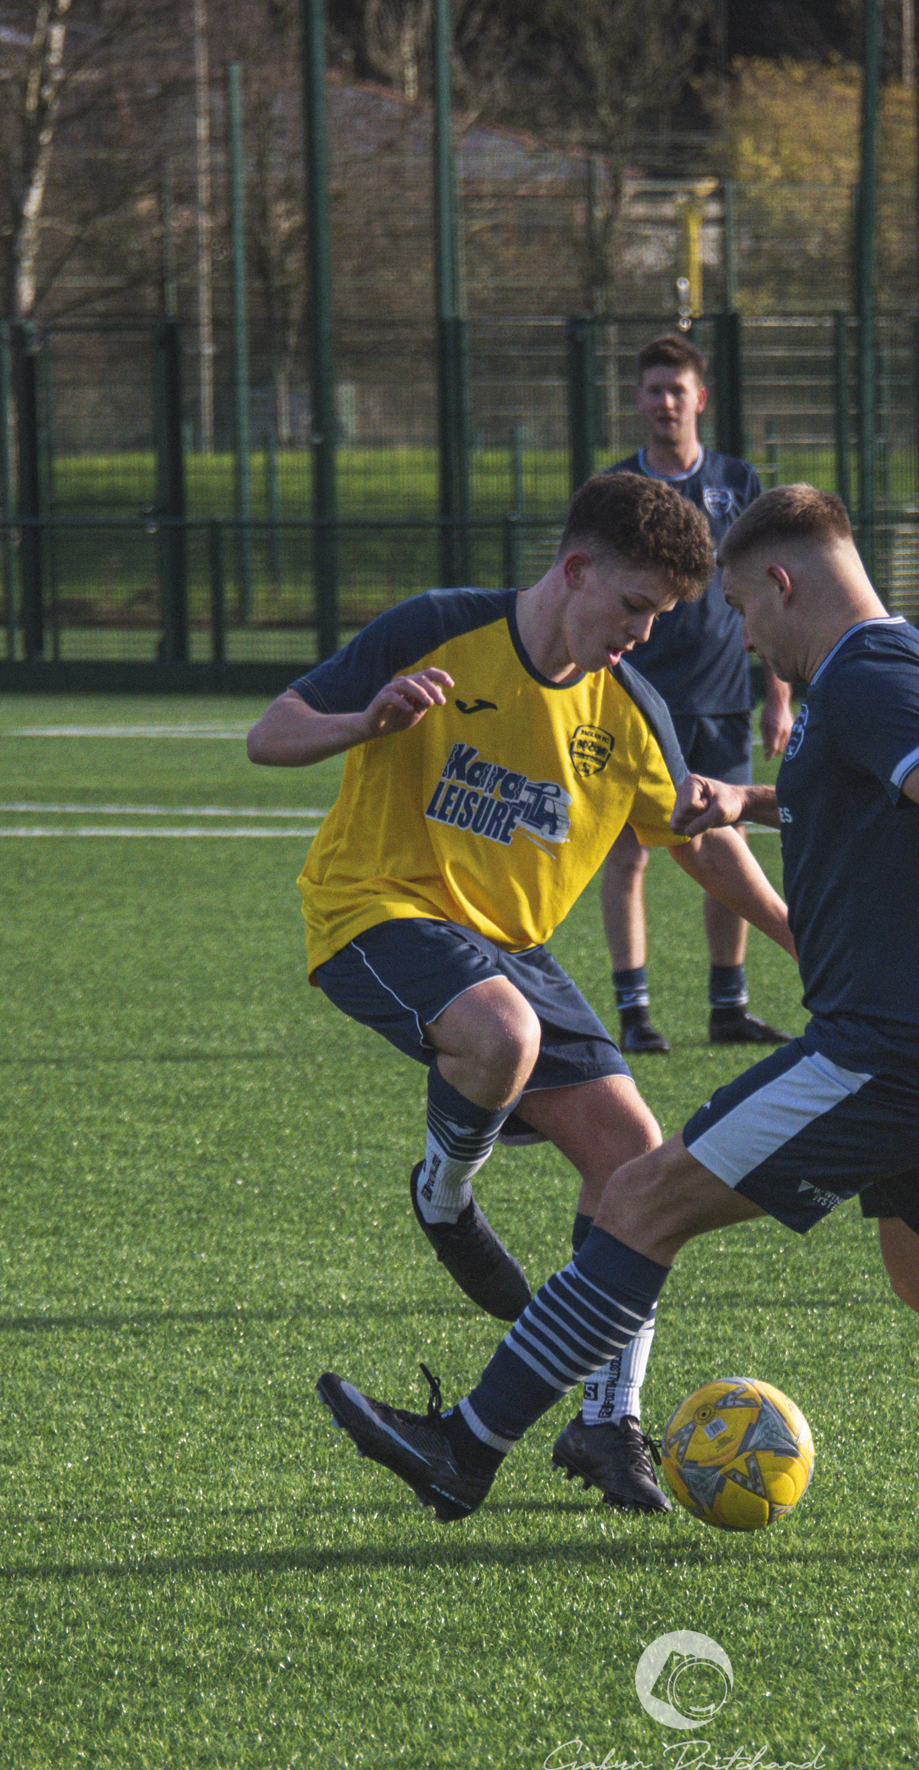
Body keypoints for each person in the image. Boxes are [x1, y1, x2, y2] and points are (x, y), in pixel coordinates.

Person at [316, 484, 919, 1553]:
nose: (745, 638)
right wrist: (743, 801)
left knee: (637, 1198)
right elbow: (871, 789)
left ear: (784, 583)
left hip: (890, 1053)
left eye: (745, 611)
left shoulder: (862, 675)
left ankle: (463, 1451)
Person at [246, 472, 794, 1513]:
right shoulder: (440, 630)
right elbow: (268, 734)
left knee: (641, 1169)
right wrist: (365, 720)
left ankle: (607, 1422)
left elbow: (696, 831)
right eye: (634, 607)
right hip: (377, 910)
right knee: (498, 1033)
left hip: (510, 947)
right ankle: (445, 1196)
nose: (642, 635)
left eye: (661, 618)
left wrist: (794, 938)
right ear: (575, 569)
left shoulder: (629, 706)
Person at [597, 333, 795, 1055]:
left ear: (700, 400)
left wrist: (778, 694)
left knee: (726, 839)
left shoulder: (737, 482)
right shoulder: (618, 490)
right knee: (628, 852)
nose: (664, 402)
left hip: (720, 700)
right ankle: (634, 1010)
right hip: (636, 700)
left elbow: (772, 591)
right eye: (652, 389)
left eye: (676, 389)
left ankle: (727, 1004)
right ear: (639, 399)